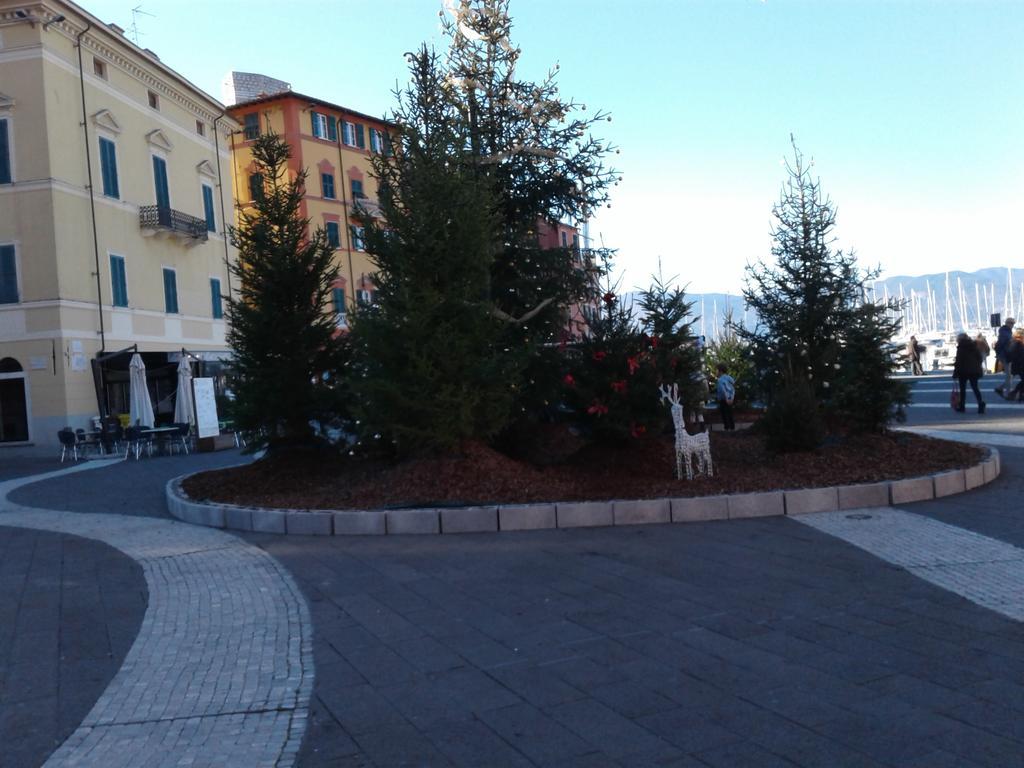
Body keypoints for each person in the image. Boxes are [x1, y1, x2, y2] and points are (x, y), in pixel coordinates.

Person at [952, 332, 985, 414]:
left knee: (962, 390)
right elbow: (980, 358)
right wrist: (976, 366)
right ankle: (980, 403)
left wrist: (955, 373)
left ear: (959, 339)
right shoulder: (973, 345)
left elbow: (958, 362)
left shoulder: (961, 347)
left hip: (963, 371)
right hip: (974, 371)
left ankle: (962, 406)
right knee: (975, 388)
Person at [994, 317, 1015, 396]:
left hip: (1007, 355)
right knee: (1009, 375)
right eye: (1011, 323)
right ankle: (1008, 392)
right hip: (1005, 356)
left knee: (1011, 374)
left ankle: (1001, 388)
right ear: (1007, 323)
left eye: (1013, 323)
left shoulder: (1007, 331)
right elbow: (1002, 344)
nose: (1012, 325)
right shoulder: (1004, 332)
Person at [715, 363, 736, 430]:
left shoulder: (720, 380)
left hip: (724, 399)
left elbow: (723, 389)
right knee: (730, 414)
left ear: (720, 371)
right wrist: (732, 398)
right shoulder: (729, 378)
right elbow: (733, 388)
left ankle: (726, 429)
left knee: (724, 414)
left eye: (716, 370)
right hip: (730, 398)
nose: (716, 372)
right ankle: (732, 428)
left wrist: (726, 398)